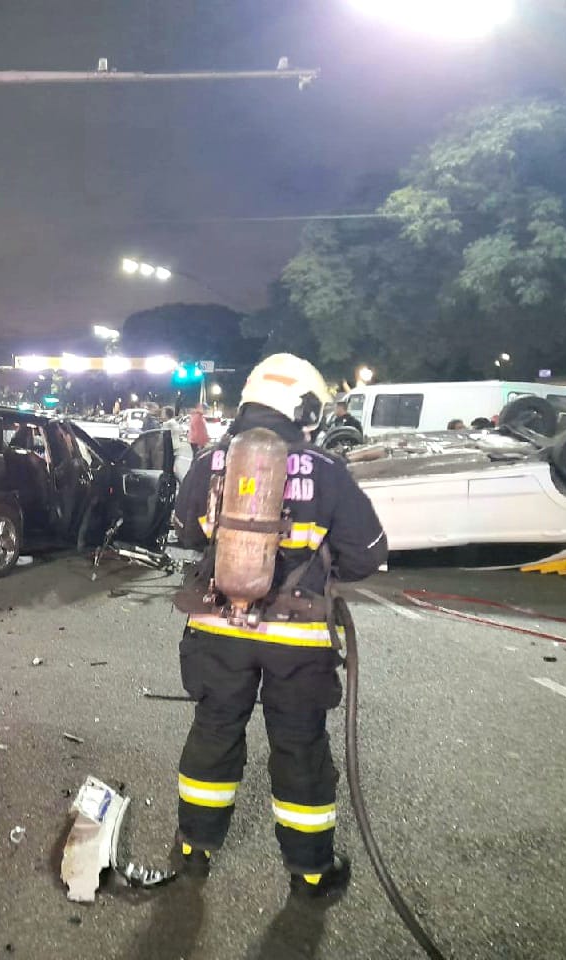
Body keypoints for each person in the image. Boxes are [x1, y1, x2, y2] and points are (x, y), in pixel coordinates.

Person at [171, 353, 387, 900]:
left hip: (218, 626)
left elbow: (187, 535)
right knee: (299, 746)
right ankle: (311, 871)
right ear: (304, 407)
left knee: (215, 730)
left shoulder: (210, 463)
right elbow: (367, 554)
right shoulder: (328, 469)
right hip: (298, 639)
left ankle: (195, 847)